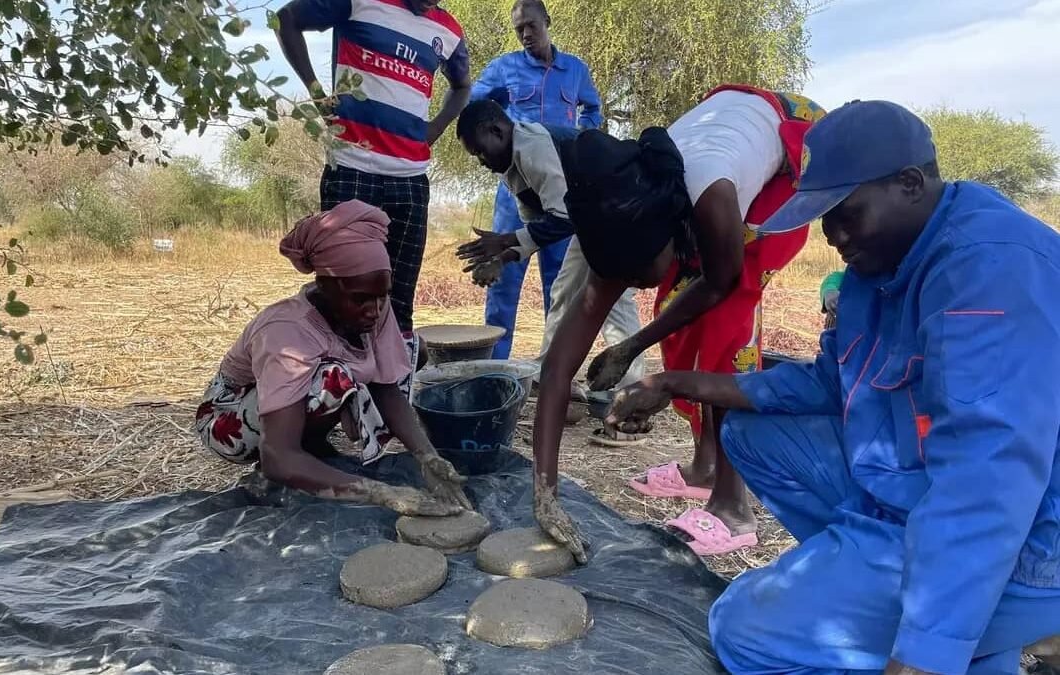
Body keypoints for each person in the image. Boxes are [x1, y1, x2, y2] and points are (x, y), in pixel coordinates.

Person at [607, 100, 1060, 674]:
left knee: (741, 626)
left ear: (910, 183)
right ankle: (899, 601)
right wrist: (674, 382)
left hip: (1025, 545)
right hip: (909, 495)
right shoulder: (884, 260)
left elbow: (988, 478)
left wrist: (923, 655)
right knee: (748, 430)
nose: (833, 235)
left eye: (845, 212)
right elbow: (831, 380)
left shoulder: (990, 272)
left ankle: (948, 620)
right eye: (824, 218)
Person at [456, 85, 825, 560]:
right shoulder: (617, 215)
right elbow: (556, 370)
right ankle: (703, 468)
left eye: (637, 275)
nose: (630, 283)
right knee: (678, 317)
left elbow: (719, 283)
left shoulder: (711, 198)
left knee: (725, 332)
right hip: (717, 136)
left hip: (788, 148)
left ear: (664, 241)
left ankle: (734, 506)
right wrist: (544, 493)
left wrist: (640, 358)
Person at [195, 201, 470, 517]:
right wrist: (379, 492)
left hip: (285, 404)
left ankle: (312, 457)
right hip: (229, 417)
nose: (375, 310)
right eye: (361, 299)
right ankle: (293, 466)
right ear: (324, 285)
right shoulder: (287, 332)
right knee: (332, 378)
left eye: (383, 296)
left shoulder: (373, 307)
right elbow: (277, 455)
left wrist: (427, 457)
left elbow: (386, 388)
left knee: (412, 348)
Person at [276, 0, 472, 369]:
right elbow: (286, 19)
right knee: (342, 295)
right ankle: (335, 396)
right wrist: (318, 93)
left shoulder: (448, 30)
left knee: (399, 302)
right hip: (352, 168)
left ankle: (392, 402)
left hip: (410, 180)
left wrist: (436, 128)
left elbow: (462, 86)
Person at [454, 99, 646, 396]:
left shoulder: (530, 146)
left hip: (621, 211)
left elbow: (563, 218)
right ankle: (550, 374)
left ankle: (630, 390)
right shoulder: (511, 166)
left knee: (612, 298)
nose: (482, 162)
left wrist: (504, 241)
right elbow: (538, 228)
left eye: (480, 151)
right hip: (594, 220)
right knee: (565, 291)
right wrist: (502, 259)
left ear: (495, 130)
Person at [469, 0, 603, 360]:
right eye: (519, 29)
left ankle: (557, 368)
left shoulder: (574, 70)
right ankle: (495, 368)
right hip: (518, 190)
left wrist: (582, 142)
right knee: (503, 277)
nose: (526, 34)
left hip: (560, 190)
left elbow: (593, 108)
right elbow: (473, 108)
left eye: (531, 25)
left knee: (561, 282)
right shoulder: (504, 68)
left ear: (547, 21)